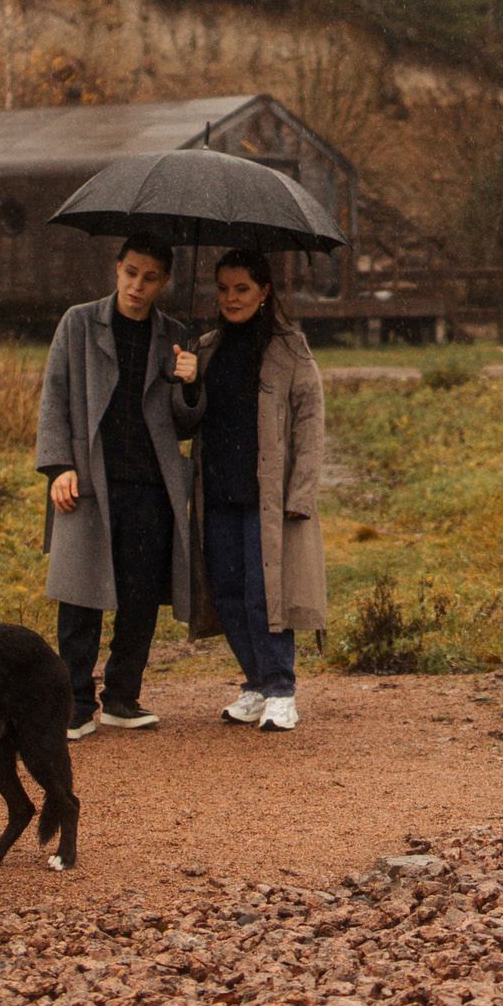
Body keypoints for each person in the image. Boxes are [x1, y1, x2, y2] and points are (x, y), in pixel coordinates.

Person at [34, 236, 201, 738]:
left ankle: (122, 697)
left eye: (150, 278)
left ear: (164, 281)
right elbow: (55, 395)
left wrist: (190, 383)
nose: (137, 285)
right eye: (131, 272)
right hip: (90, 479)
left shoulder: (174, 335)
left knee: (141, 594)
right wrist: (59, 465)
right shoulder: (79, 323)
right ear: (117, 268)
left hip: (152, 483)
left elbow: (185, 424)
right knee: (80, 593)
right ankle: (75, 703)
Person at [171, 247, 326, 732]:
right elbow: (184, 423)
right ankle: (256, 683)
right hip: (217, 493)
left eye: (242, 289)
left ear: (264, 292)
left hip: (267, 499)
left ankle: (282, 689)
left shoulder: (290, 348)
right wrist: (189, 386)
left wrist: (298, 497)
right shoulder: (206, 347)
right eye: (222, 289)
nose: (230, 298)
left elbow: (310, 424)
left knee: (267, 595)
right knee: (227, 591)